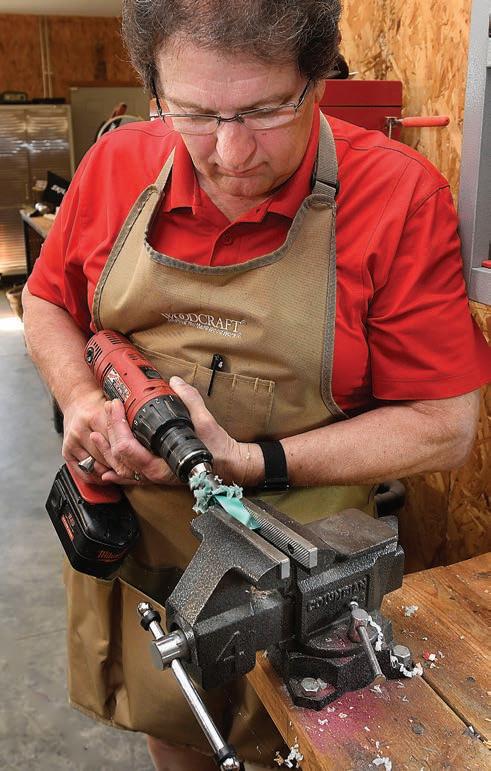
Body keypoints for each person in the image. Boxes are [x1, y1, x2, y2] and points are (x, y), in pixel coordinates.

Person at [22, 1, 491, 769]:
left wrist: (249, 460)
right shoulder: (117, 164)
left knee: (306, 743)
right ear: (154, 92)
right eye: (194, 113)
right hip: (146, 548)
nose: (231, 151)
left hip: (305, 565)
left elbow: (444, 425)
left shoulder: (396, 197)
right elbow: (46, 300)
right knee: (176, 727)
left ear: (318, 80)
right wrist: (78, 398)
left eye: (267, 110)